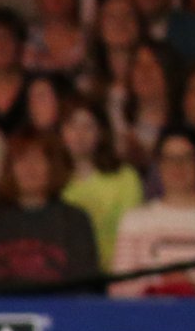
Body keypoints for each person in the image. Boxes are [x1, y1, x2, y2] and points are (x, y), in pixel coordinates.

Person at [0, 131, 100, 290]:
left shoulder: (74, 221)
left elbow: (85, 284)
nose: (29, 168)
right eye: (21, 161)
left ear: (51, 167)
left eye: (37, 160)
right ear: (10, 169)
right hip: (0, 310)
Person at [111, 127, 195, 295]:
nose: (177, 166)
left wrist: (193, 286)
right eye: (169, 159)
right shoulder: (135, 220)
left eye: (186, 158)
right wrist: (159, 286)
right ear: (159, 165)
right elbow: (119, 289)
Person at [58, 102, 142, 268]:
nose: (79, 134)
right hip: (67, 282)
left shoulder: (125, 177)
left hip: (116, 275)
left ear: (101, 132)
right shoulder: (52, 181)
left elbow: (133, 234)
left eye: (87, 126)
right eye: (72, 125)